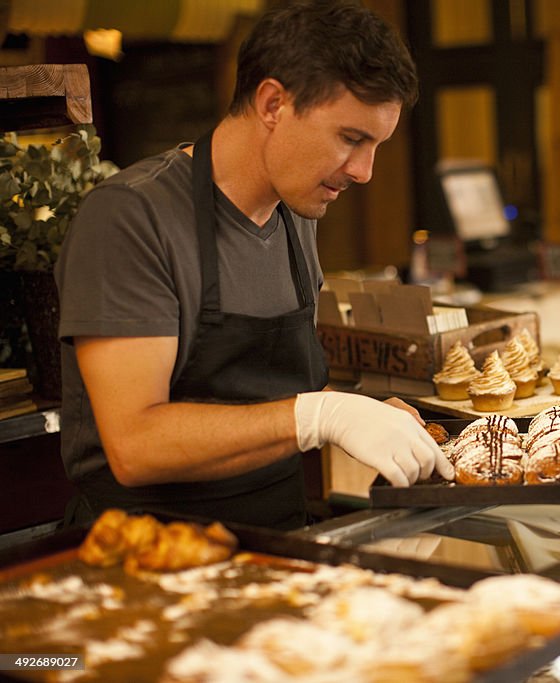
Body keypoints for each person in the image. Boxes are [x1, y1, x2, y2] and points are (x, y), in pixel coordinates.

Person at [55, 0, 453, 531]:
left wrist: (362, 411)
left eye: (376, 145)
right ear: (272, 104)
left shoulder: (296, 215)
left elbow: (260, 400)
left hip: (280, 537)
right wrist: (321, 416)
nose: (364, 172)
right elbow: (136, 445)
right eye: (351, 138)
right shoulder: (130, 218)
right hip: (150, 555)